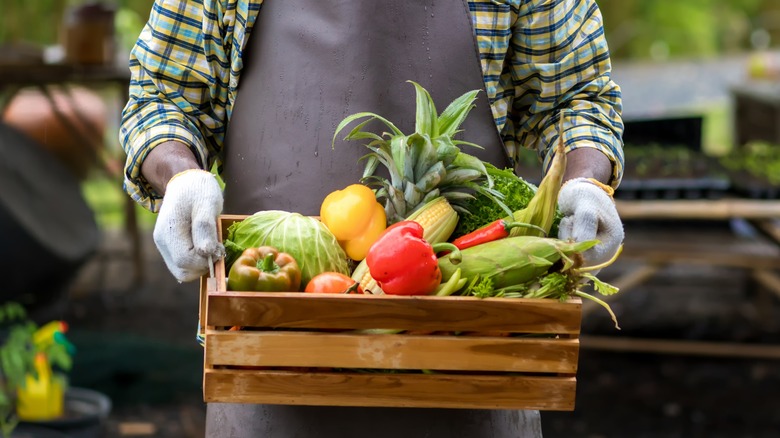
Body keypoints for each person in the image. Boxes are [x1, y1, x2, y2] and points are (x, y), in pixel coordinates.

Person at [120, 1, 625, 436]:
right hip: (269, 351)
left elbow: (578, 95)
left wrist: (584, 182)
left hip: (469, 347)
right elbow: (161, 95)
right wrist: (180, 176)